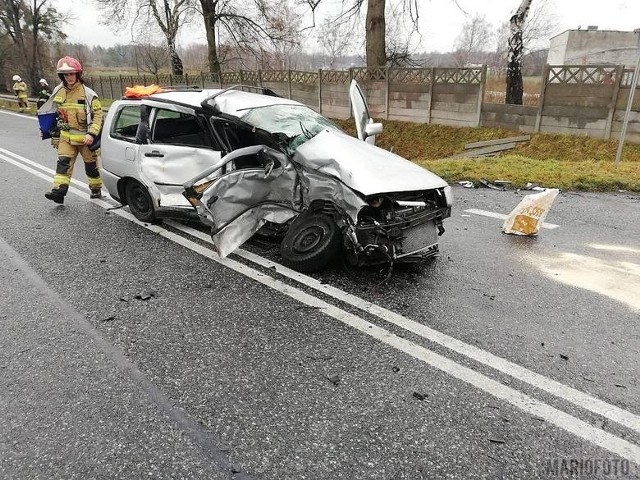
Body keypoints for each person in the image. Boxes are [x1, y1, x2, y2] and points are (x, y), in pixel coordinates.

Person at [44, 56, 103, 204]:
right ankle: (58, 192)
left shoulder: (89, 94)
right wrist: (53, 134)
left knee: (91, 166)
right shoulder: (58, 92)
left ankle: (96, 188)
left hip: (85, 139)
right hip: (66, 137)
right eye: (65, 74)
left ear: (78, 74)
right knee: (63, 164)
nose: (69, 77)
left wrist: (91, 134)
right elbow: (52, 114)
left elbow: (98, 116)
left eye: (71, 74)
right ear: (61, 76)